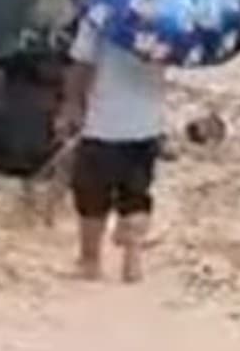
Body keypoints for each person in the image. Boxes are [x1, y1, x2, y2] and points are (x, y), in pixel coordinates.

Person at [55, 14, 167, 283]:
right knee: (137, 194)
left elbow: (81, 65)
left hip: (103, 123)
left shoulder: (101, 15)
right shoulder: (166, 20)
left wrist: (71, 104)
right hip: (147, 124)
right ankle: (133, 260)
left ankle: (90, 261)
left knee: (92, 195)